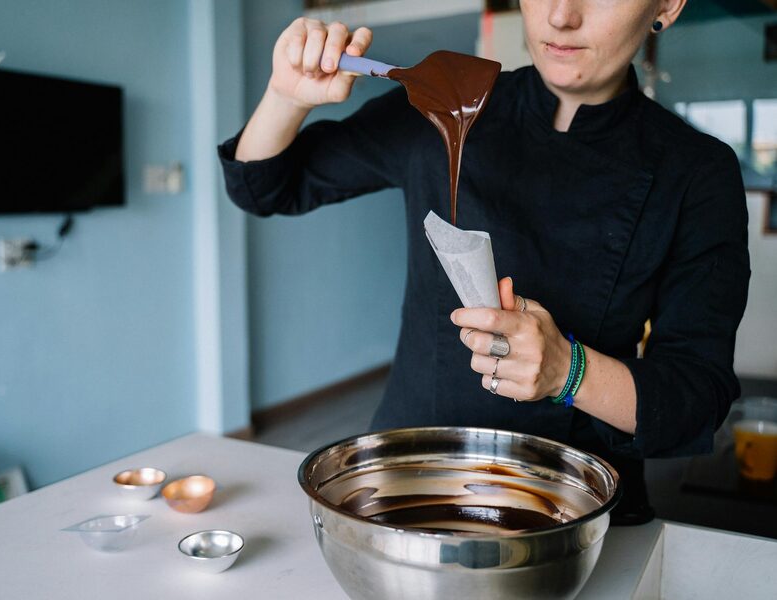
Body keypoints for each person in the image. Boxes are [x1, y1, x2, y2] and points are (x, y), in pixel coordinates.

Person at [218, 0, 750, 523]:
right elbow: (266, 187)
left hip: (574, 505)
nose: (561, 15)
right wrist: (285, 97)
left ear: (667, 6)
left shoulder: (696, 171)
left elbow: (696, 398)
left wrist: (568, 371)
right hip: (409, 477)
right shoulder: (446, 100)